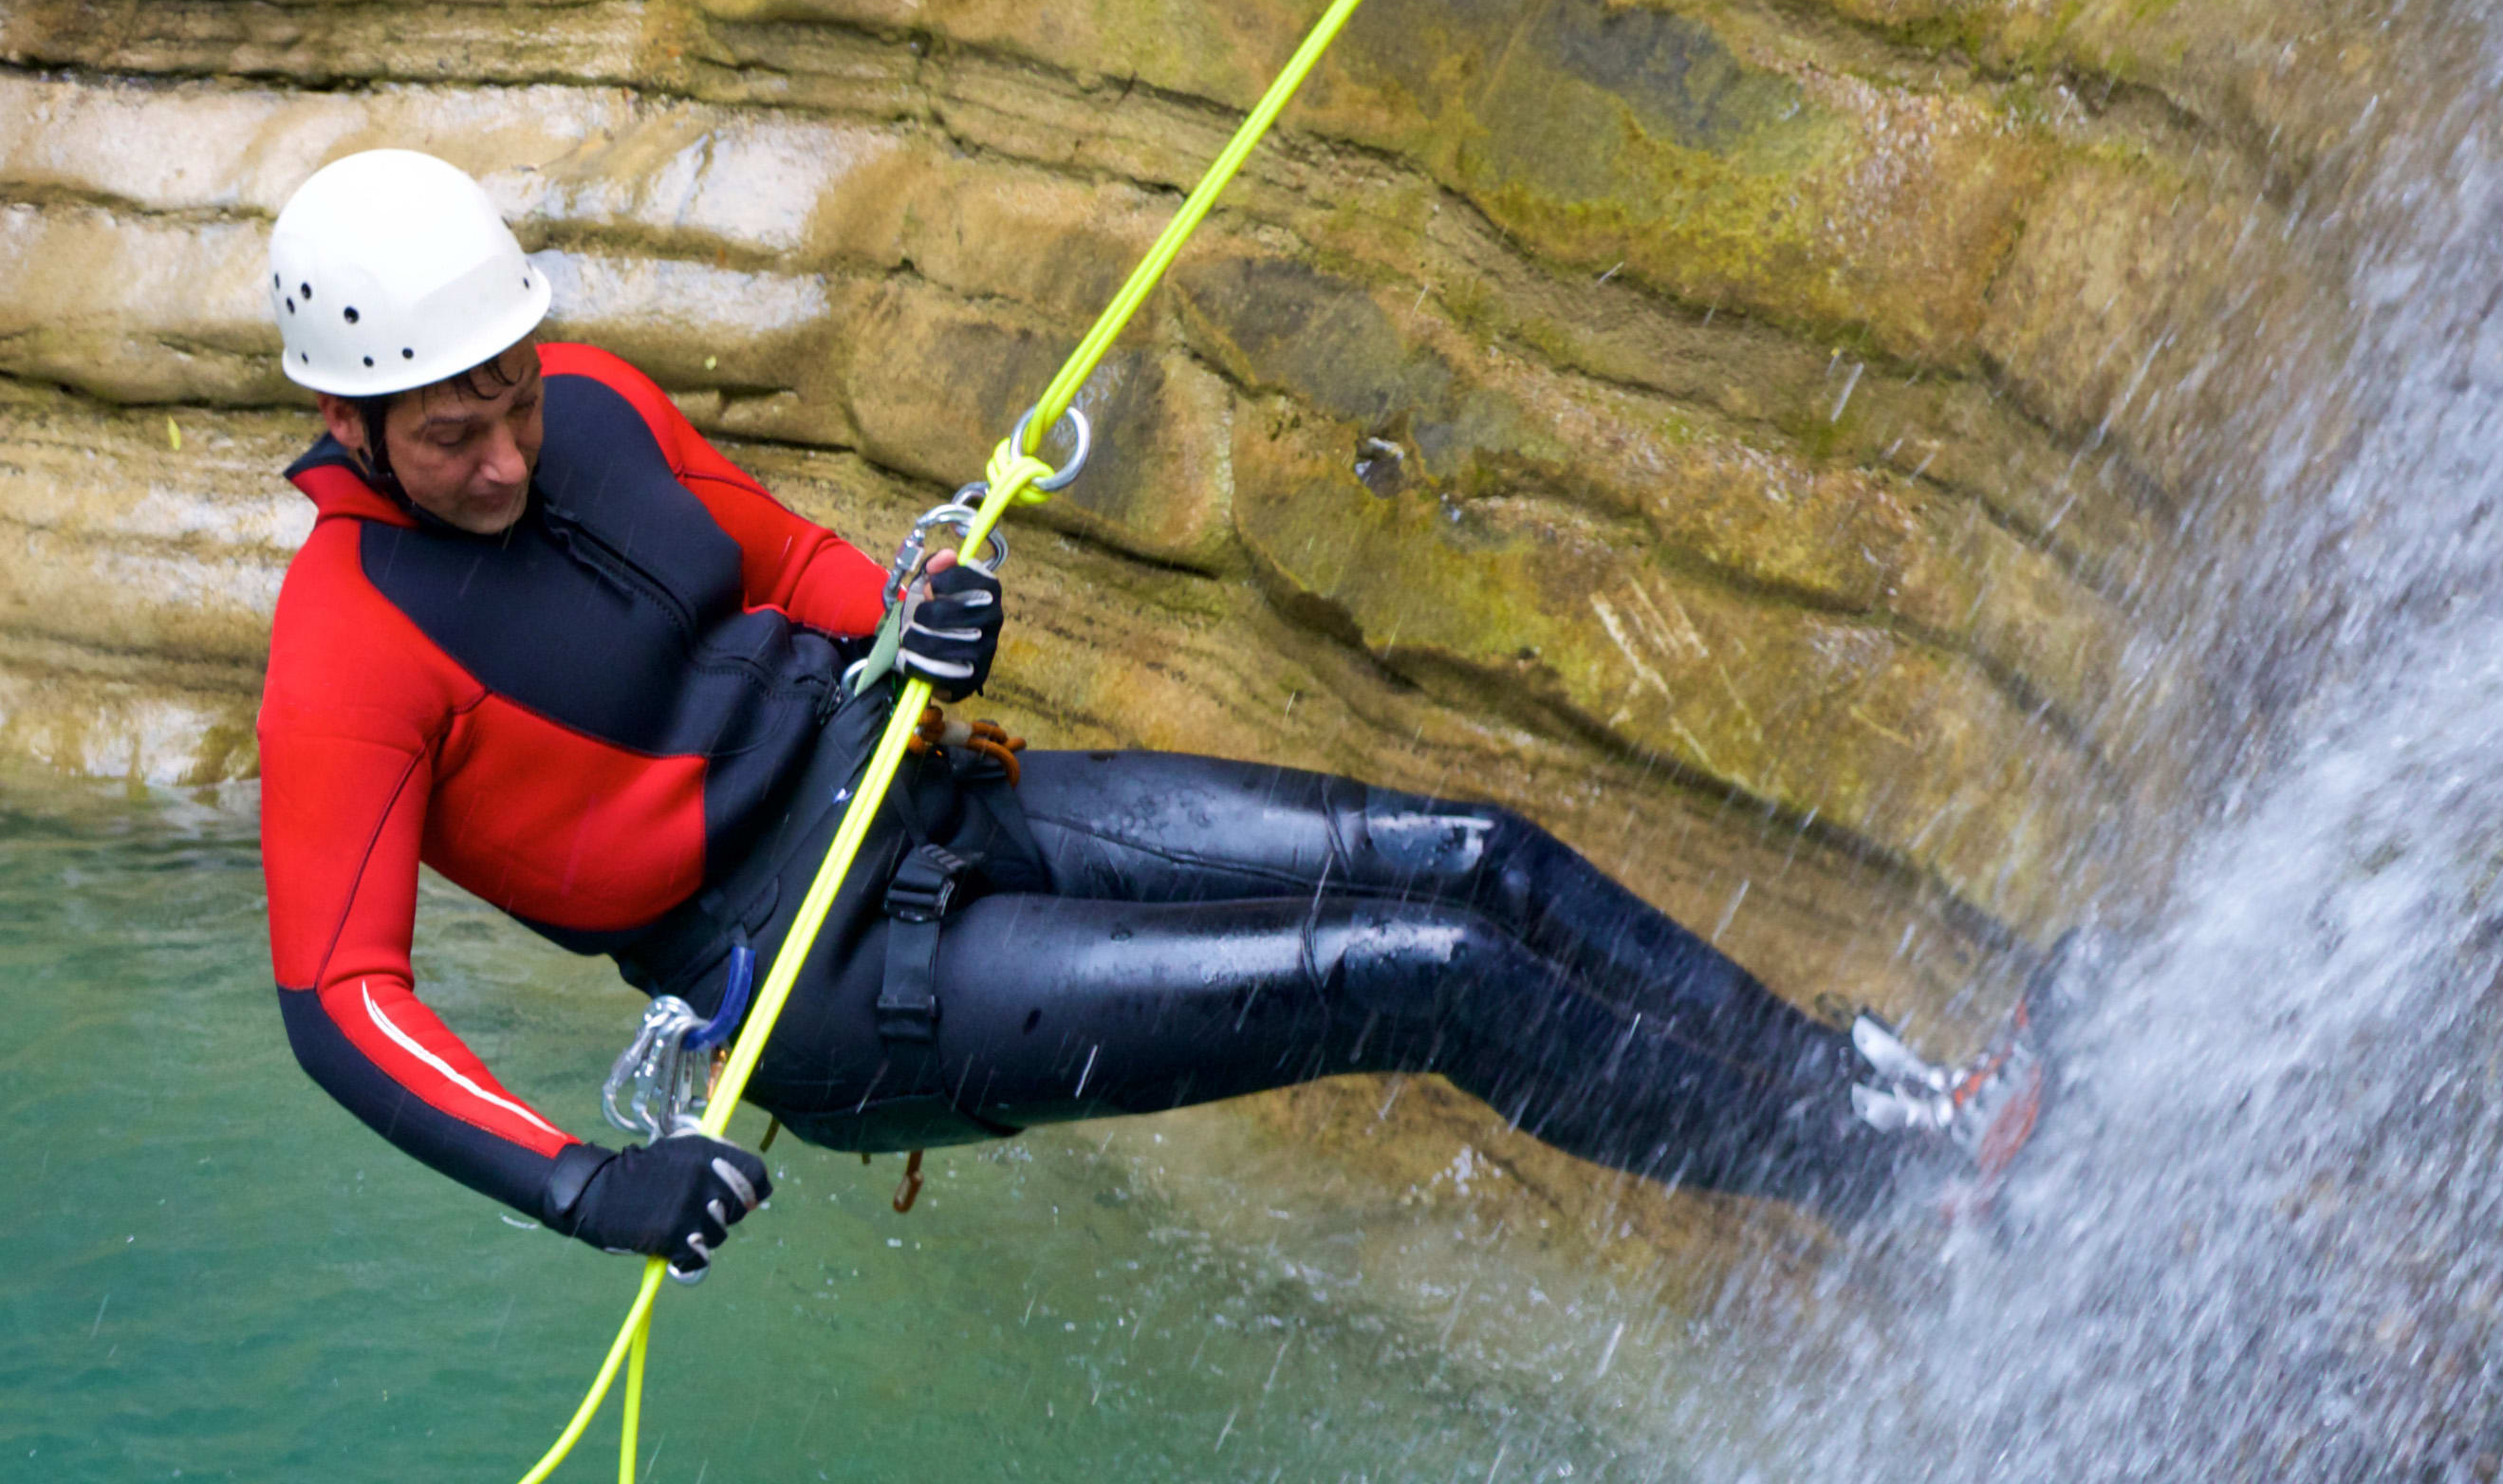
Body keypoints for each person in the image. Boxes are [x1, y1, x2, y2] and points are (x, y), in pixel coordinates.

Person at [250, 146, 2036, 1274]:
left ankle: (1881, 1100)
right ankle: (1901, 1186)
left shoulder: (595, 402)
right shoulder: (346, 653)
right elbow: (342, 1002)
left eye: (511, 401)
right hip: (845, 993)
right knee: (1426, 975)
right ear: (349, 422)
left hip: (941, 801)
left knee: (1477, 862)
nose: (506, 454)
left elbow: (782, 559)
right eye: (452, 435)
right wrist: (585, 1186)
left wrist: (911, 608)